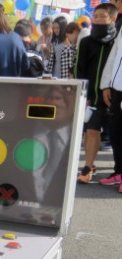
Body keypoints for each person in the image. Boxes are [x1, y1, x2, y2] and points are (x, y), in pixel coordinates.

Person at [74, 2, 118, 183]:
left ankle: (116, 169)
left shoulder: (117, 42)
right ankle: (88, 165)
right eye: (96, 16)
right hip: (91, 96)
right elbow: (79, 69)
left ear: (113, 19)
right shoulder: (86, 41)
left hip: (114, 95)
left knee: (113, 134)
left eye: (102, 16)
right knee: (91, 130)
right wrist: (83, 94)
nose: (98, 19)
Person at [99, 16, 122, 190]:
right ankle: (119, 171)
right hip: (117, 89)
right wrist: (106, 84)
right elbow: (115, 55)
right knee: (115, 132)